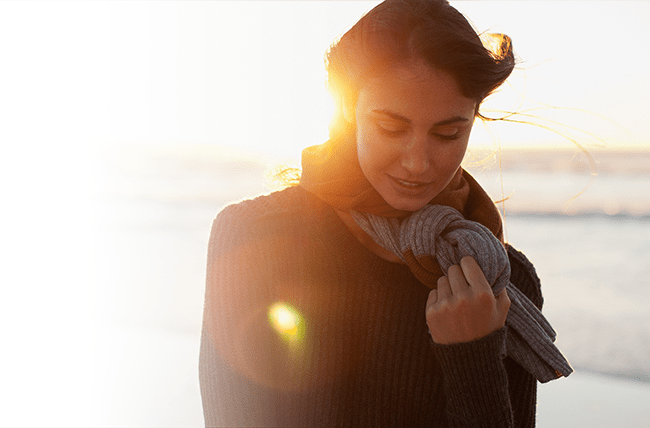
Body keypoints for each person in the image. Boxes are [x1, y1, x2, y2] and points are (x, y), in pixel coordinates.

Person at [199, 0, 569, 426]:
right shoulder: (253, 237)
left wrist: (473, 353)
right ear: (347, 111)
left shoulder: (501, 280)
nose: (418, 162)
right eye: (392, 128)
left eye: (448, 133)